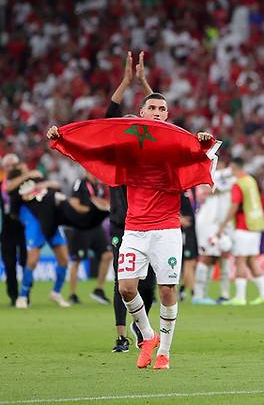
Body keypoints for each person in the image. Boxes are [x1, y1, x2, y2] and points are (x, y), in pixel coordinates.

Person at [47, 87, 216, 370]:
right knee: (125, 289)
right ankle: (147, 337)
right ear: (142, 114)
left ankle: (164, 351)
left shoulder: (175, 144)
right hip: (134, 228)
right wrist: (63, 140)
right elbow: (95, 148)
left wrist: (203, 143)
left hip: (166, 229)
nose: (158, 113)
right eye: (153, 108)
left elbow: (198, 155)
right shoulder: (127, 147)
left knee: (166, 290)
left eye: (163, 110)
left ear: (167, 116)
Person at [105, 51, 157, 353]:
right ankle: (121, 336)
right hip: (120, 224)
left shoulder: (149, 154)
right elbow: (107, 119)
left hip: (148, 223)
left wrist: (146, 84)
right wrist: (126, 83)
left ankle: (142, 327)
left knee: (148, 284)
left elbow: (162, 118)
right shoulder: (115, 155)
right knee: (122, 281)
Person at [9, 162, 108, 309]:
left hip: (53, 217)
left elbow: (55, 184)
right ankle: (23, 296)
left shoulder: (36, 179)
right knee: (32, 260)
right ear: (18, 172)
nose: (28, 169)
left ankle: (56, 292)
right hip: (36, 222)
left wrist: (43, 183)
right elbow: (8, 187)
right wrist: (28, 175)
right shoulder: (16, 186)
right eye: (23, 168)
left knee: (63, 259)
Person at [218, 157, 264, 305]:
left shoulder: (238, 184)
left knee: (240, 260)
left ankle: (240, 297)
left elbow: (234, 206)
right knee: (250, 260)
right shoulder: (250, 180)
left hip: (244, 225)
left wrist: (222, 225)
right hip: (257, 224)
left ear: (234, 168)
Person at [67, 171, 113, 305]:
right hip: (82, 227)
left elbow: (103, 201)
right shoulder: (80, 183)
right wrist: (88, 209)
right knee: (77, 260)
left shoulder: (99, 186)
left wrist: (103, 206)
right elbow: (74, 203)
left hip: (96, 227)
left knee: (107, 255)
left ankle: (99, 289)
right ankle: (73, 294)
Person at [193, 159, 234, 305]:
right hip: (208, 223)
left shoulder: (223, 178)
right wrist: (231, 170)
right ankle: (198, 295)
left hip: (219, 224)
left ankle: (212, 294)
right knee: (206, 257)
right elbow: (213, 186)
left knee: (218, 257)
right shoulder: (211, 176)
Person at [1, 153, 27, 307]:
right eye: (8, 165)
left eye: (13, 165)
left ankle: (25, 295)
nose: (10, 168)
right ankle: (13, 296)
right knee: (9, 263)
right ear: (4, 167)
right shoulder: (2, 184)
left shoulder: (25, 184)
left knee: (26, 261)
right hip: (7, 227)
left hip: (23, 227)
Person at [178, 188, 199, 302]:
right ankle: (194, 293)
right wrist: (179, 218)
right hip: (184, 231)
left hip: (192, 230)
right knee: (189, 262)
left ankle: (182, 290)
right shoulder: (180, 189)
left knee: (192, 262)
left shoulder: (193, 189)